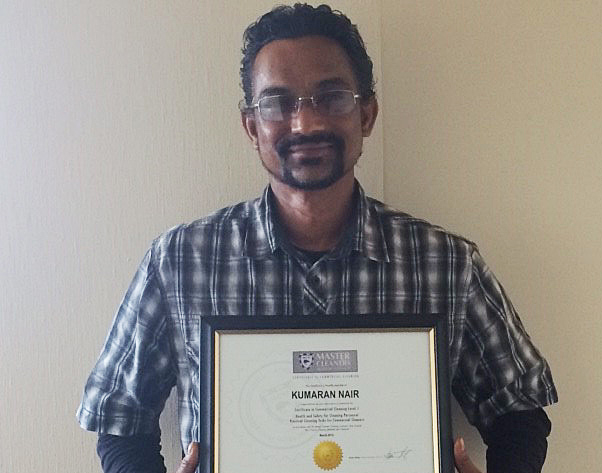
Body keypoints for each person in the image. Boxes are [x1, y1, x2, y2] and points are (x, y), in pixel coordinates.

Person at [77, 4, 557, 473]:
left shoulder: (447, 264)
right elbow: (119, 419)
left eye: (331, 97)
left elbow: (520, 411)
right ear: (251, 126)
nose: (305, 123)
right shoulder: (180, 262)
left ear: (366, 114)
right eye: (278, 102)